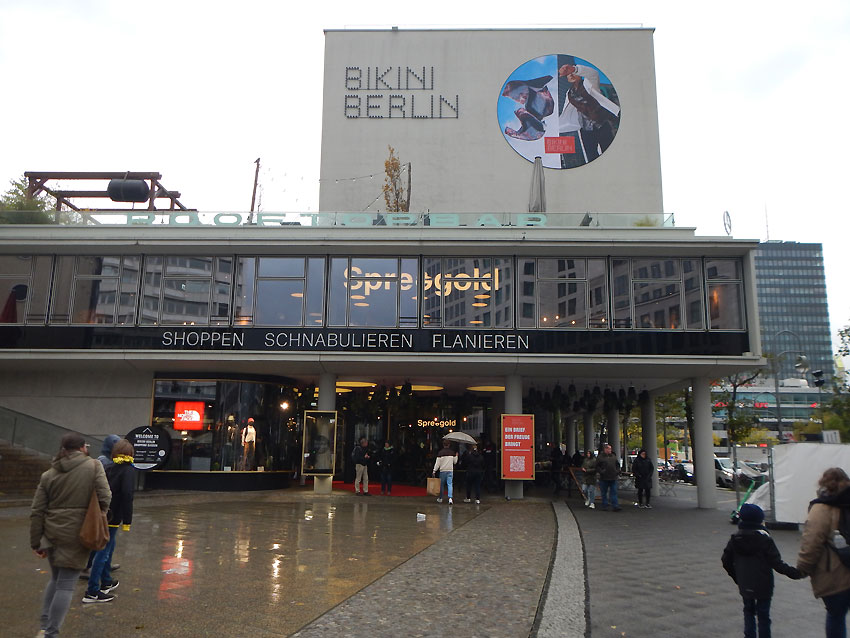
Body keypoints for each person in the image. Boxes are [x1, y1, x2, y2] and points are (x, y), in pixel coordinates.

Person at [30, 433, 111, 637]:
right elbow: (105, 496)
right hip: (79, 533)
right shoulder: (94, 466)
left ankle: (45, 624)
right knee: (66, 585)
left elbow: (37, 510)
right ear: (83, 448)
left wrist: (36, 542)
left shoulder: (49, 473)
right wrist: (98, 515)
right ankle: (51, 633)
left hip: (52, 533)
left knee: (56, 579)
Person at [722, 504, 803, 638]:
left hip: (745, 583)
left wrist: (737, 577)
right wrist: (795, 573)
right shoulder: (765, 539)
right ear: (759, 521)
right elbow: (777, 563)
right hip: (764, 584)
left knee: (748, 612)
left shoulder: (734, 539)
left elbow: (725, 561)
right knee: (764, 616)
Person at [796, 467, 850, 637]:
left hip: (835, 574)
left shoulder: (821, 509)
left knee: (836, 616)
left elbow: (811, 543)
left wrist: (802, 568)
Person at [83, 439, 135, 603]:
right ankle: (92, 591)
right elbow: (127, 495)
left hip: (102, 513)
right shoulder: (128, 470)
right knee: (103, 553)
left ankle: (106, 581)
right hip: (114, 516)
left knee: (107, 548)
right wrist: (127, 520)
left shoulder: (108, 467)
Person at [81, 433, 122, 579]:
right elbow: (102, 487)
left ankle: (105, 565)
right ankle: (89, 567)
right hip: (101, 507)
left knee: (109, 539)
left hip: (107, 506)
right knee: (100, 538)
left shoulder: (110, 461)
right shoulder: (103, 462)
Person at [596, 444, 621, 511]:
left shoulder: (613, 456)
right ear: (605, 449)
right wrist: (602, 471)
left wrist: (617, 471)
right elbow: (597, 466)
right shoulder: (600, 457)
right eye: (609, 449)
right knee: (604, 492)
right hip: (604, 477)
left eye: (610, 449)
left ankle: (615, 505)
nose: (610, 450)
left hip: (613, 477)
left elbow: (617, 465)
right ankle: (605, 505)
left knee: (614, 492)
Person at [433, 440, 458, 504]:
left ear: (443, 445)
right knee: (450, 484)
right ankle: (450, 498)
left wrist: (434, 470)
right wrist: (456, 456)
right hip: (450, 470)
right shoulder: (452, 453)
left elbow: (437, 463)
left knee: (441, 485)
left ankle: (440, 498)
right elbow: (455, 462)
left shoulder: (440, 453)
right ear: (449, 445)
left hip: (443, 471)